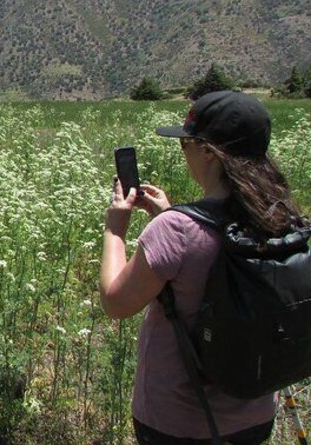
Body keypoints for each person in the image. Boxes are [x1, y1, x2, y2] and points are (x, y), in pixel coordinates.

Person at [100, 91, 301, 444]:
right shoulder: (284, 220)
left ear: (208, 152)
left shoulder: (177, 231)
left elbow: (116, 303)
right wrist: (168, 215)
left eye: (186, 144)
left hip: (179, 422)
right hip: (255, 414)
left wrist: (115, 229)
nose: (185, 154)